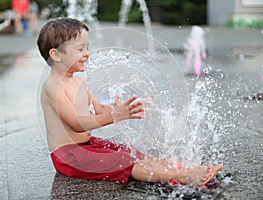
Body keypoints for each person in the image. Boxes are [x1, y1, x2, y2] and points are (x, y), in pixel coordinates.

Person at [37, 17, 223, 186]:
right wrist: (115, 116)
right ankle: (184, 177)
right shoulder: (53, 87)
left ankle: (189, 169)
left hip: (88, 145)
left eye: (87, 47)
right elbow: (76, 123)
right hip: (69, 157)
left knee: (132, 153)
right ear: (56, 54)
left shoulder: (78, 81)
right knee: (125, 161)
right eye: (80, 49)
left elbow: (99, 109)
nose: (87, 53)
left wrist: (123, 109)